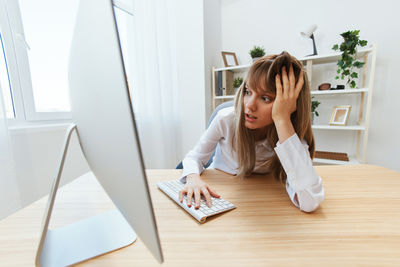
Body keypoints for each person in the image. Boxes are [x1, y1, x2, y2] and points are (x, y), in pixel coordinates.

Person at [179, 51, 324, 213]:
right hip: (220, 193)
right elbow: (195, 157)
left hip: (258, 200)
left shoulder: (288, 135)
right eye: (248, 92)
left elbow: (310, 201)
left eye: (266, 98)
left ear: (290, 105)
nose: (249, 105)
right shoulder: (226, 119)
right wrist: (193, 178)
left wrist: (282, 120)